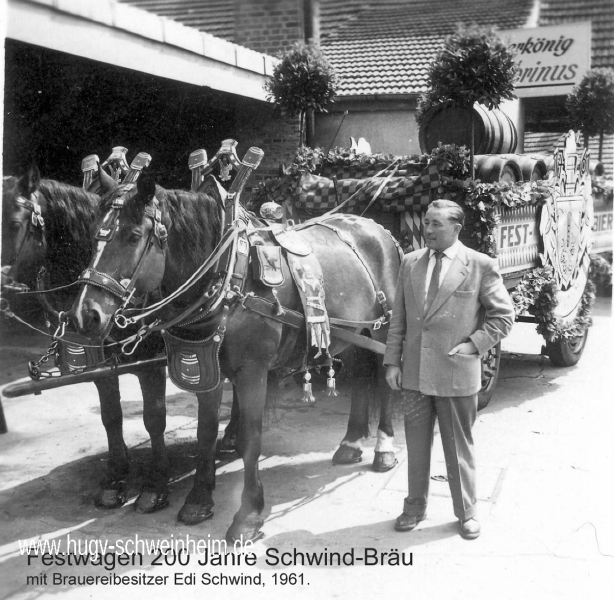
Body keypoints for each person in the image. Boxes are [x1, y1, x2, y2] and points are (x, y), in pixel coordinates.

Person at [384, 199, 514, 539]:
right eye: (426, 222)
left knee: (459, 447)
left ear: (456, 229)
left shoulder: (479, 265)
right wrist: (392, 362)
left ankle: (467, 512)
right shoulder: (410, 263)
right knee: (415, 444)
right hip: (413, 374)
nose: (427, 229)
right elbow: (399, 318)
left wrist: (474, 345)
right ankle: (414, 506)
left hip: (456, 371)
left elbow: (503, 316)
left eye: (436, 224)